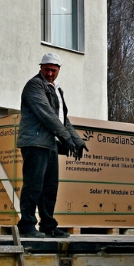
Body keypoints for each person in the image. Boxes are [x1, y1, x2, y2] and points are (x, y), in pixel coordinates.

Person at [16, 53, 87, 238]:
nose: (49, 73)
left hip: (49, 144)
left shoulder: (55, 89)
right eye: (46, 69)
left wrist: (77, 141)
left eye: (53, 70)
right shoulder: (34, 85)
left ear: (58, 71)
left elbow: (63, 118)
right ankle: (27, 225)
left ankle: (48, 225)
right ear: (41, 68)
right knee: (34, 186)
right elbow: (47, 114)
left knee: (50, 188)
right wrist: (65, 137)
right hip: (35, 142)